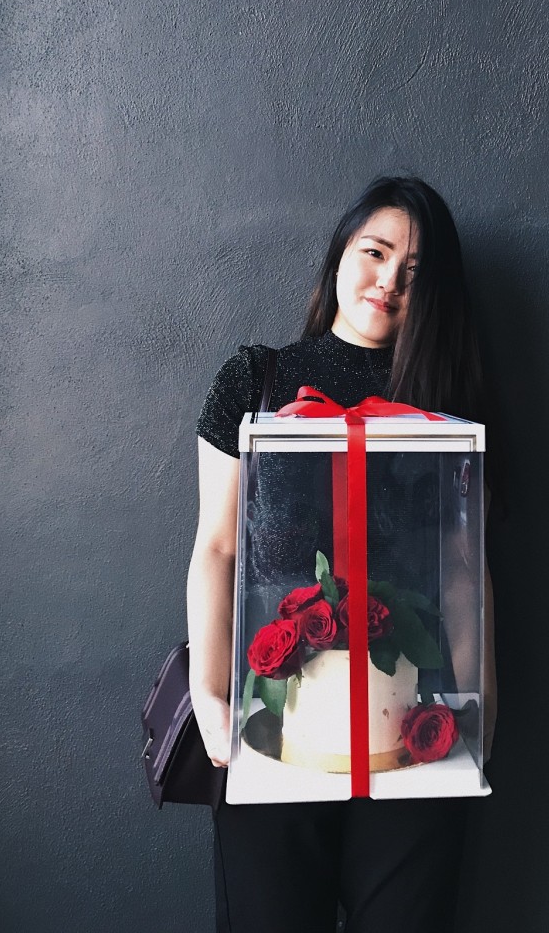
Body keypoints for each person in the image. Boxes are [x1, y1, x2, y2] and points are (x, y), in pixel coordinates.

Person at [186, 176, 497, 933]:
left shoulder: (446, 407)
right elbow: (219, 546)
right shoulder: (255, 381)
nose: (388, 281)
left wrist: (486, 723)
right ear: (339, 257)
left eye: (414, 275)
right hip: (272, 724)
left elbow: (463, 573)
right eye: (376, 252)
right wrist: (208, 693)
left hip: (416, 728)